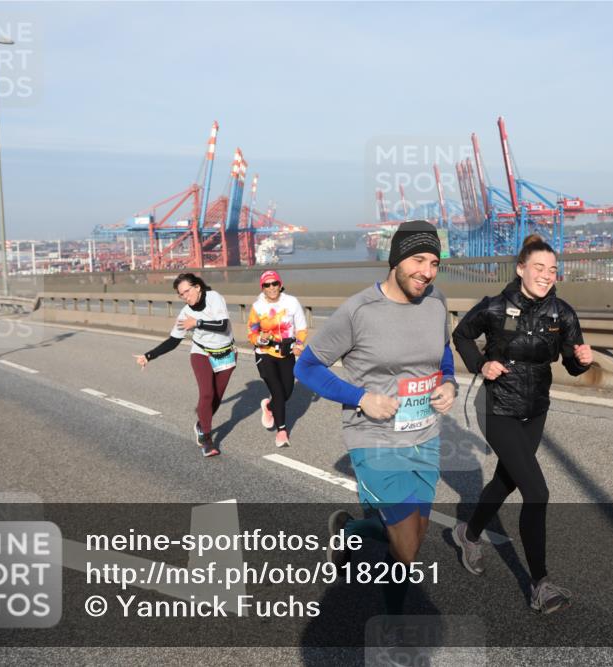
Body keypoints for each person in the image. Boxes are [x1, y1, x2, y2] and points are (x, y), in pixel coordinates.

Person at [294, 219, 457, 615]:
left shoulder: (436, 302)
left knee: (414, 534)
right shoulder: (359, 311)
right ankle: (395, 630)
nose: (427, 271)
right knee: (404, 545)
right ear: (396, 261)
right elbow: (307, 366)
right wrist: (361, 397)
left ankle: (348, 531)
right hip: (374, 437)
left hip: (425, 435)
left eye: (434, 263)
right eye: (418, 260)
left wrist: (449, 383)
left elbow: (444, 351)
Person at [450, 233, 594, 615]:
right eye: (539, 268)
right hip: (497, 407)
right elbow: (461, 335)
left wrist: (583, 359)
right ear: (521, 269)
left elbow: (572, 363)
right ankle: (540, 584)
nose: (546, 275)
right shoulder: (496, 307)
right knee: (537, 491)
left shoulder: (562, 313)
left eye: (552, 270)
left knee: (507, 479)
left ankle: (468, 532)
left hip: (535, 408)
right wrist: (481, 364)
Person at [133, 273, 236, 458]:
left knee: (216, 398)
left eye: (187, 291)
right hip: (201, 352)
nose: (185, 297)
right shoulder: (185, 314)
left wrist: (197, 323)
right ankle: (206, 438)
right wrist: (149, 356)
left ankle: (200, 424)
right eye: (181, 295)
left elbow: (222, 325)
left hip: (226, 353)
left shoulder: (214, 298)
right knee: (207, 393)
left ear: (198, 287)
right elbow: (173, 341)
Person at [246, 270, 308, 447]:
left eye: (275, 284)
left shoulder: (292, 302)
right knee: (278, 392)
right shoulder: (257, 307)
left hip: (286, 353)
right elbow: (252, 332)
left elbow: (301, 328)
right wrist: (260, 339)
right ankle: (282, 431)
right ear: (262, 288)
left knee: (287, 391)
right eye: (267, 285)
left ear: (280, 285)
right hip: (265, 354)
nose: (272, 287)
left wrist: (299, 344)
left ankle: (270, 407)